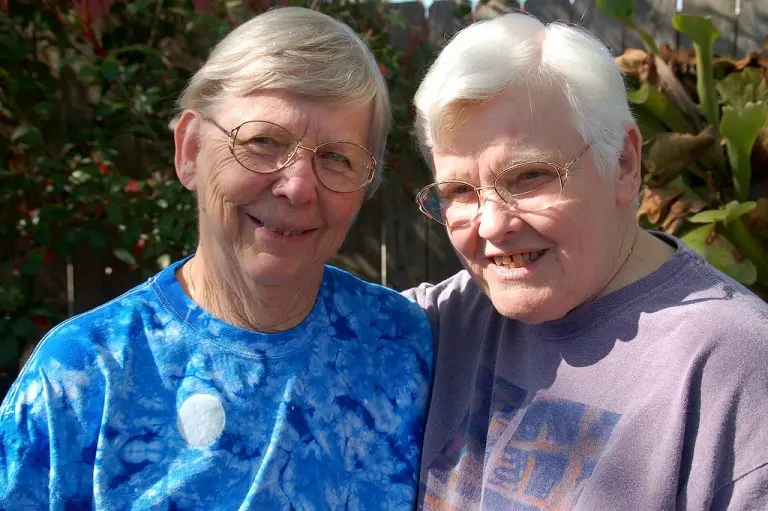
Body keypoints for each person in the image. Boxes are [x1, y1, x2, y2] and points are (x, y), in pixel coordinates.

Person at [0, 7, 432, 509]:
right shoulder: (82, 376)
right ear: (190, 150)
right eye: (263, 141)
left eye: (337, 157)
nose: (297, 187)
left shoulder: (402, 346)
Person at [404, 12, 768, 510]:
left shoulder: (734, 367)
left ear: (623, 162)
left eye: (529, 176)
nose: (491, 225)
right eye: (460, 192)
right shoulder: (436, 324)